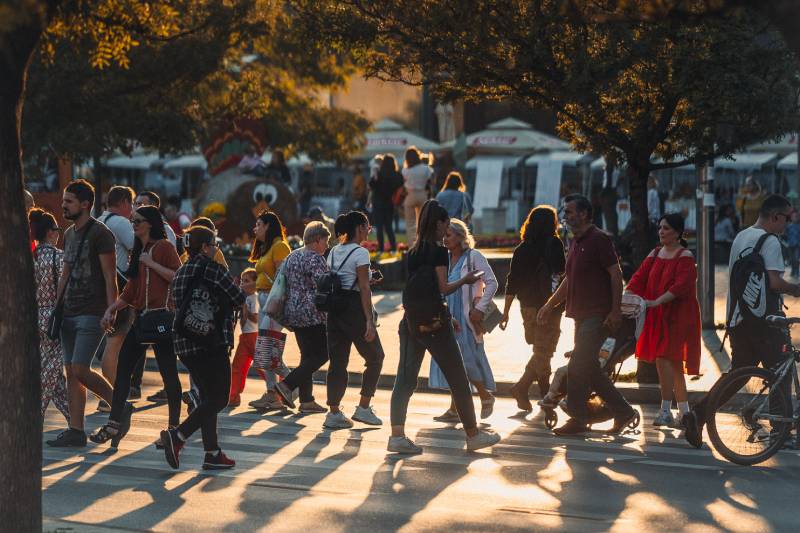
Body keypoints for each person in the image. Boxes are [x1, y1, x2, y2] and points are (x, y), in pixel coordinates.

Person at [683, 194, 800, 448]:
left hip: (738, 319)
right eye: (786, 220)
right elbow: (775, 283)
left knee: (739, 374)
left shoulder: (742, 236)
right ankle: (782, 431)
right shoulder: (771, 242)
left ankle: (698, 414)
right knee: (781, 369)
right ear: (775, 217)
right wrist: (797, 289)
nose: (787, 226)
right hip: (765, 323)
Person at [389, 200, 500, 454]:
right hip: (435, 323)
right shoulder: (438, 251)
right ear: (438, 223)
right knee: (459, 378)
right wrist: (466, 279)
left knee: (405, 379)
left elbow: (422, 287)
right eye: (445, 226)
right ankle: (473, 435)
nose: (445, 231)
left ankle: (397, 436)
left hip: (411, 321)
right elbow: (443, 288)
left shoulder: (414, 250)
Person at [538, 194, 637, 436]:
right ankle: (623, 412)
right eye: (565, 211)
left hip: (598, 315)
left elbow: (616, 275)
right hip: (579, 315)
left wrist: (615, 311)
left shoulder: (599, 239)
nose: (565, 216)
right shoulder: (576, 241)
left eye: (570, 211)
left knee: (578, 365)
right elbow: (569, 279)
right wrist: (549, 305)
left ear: (583, 214)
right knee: (589, 368)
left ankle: (578, 418)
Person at [91, 206, 183, 447]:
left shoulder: (163, 247)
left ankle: (174, 430)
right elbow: (130, 291)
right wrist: (112, 309)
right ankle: (114, 424)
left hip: (162, 318)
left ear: (150, 224)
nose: (133, 225)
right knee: (123, 372)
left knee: (169, 373)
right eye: (132, 221)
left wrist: (151, 263)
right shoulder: (138, 251)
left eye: (137, 221)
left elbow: (178, 276)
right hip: (142, 319)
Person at [160, 226, 246, 470]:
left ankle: (212, 452)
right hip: (211, 342)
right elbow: (238, 297)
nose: (216, 248)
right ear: (206, 246)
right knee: (219, 398)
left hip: (185, 343)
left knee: (208, 398)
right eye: (214, 244)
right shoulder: (212, 269)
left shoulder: (181, 271)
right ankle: (178, 437)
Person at [46, 179, 118, 448]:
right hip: (68, 311)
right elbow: (65, 273)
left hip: (93, 310)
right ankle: (76, 430)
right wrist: (56, 306)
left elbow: (110, 276)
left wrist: (111, 310)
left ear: (85, 204)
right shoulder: (69, 233)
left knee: (80, 367)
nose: (63, 205)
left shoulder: (101, 233)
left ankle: (119, 406)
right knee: (71, 372)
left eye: (69, 201)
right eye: (64, 200)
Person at [625, 213, 701, 427]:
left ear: (678, 233)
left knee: (666, 360)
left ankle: (667, 410)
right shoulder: (656, 252)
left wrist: (657, 301)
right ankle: (683, 412)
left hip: (678, 316)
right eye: (660, 228)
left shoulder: (685, 256)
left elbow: (681, 286)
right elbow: (639, 277)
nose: (661, 232)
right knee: (671, 363)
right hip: (657, 313)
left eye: (666, 228)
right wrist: (628, 295)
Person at [430, 219, 498, 420]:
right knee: (452, 362)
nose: (445, 239)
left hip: (467, 317)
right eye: (444, 235)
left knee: (465, 360)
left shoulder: (473, 257)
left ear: (461, 236)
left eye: (449, 235)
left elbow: (492, 283)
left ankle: (485, 396)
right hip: (448, 316)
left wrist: (479, 308)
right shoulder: (445, 259)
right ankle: (454, 409)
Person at [500, 205, 566, 411]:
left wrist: (506, 312)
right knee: (544, 350)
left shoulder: (522, 249)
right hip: (549, 306)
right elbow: (562, 274)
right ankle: (542, 393)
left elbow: (512, 282)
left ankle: (527, 389)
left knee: (541, 350)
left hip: (526, 307)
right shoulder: (554, 244)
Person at [323, 212, 385, 429]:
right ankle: (364, 408)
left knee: (338, 362)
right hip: (353, 311)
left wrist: (366, 280)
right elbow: (364, 288)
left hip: (334, 311)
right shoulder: (361, 253)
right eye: (367, 227)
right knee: (376, 357)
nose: (369, 230)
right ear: (359, 228)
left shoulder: (332, 252)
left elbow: (343, 280)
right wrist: (369, 320)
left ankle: (333, 412)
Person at [271, 222, 332, 412]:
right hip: (312, 313)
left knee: (307, 356)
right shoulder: (315, 258)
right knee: (324, 353)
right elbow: (324, 284)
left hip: (292, 312)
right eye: (325, 241)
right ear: (316, 240)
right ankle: (287, 385)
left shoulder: (293, 256)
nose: (327, 246)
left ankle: (306, 401)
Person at [95, 185, 136, 410]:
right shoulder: (120, 222)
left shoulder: (99, 219)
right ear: (124, 203)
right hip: (118, 287)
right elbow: (137, 246)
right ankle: (110, 396)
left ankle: (109, 395)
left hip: (99, 287)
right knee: (115, 342)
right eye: (131, 205)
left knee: (111, 342)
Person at [248, 211, 292, 410]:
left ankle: (293, 385)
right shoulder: (268, 248)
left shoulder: (280, 247)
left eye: (258, 224)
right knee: (269, 352)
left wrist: (276, 306)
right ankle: (273, 393)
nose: (255, 228)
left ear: (268, 226)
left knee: (266, 350)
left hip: (275, 303)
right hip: (263, 299)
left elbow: (283, 279)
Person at [30, 208, 70, 424]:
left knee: (52, 370)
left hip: (36, 315)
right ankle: (35, 411)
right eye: (57, 229)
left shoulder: (32, 257)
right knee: (52, 367)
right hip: (54, 316)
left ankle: (72, 417)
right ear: (50, 232)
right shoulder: (58, 256)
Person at [228, 268, 265, 407]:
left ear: (255, 283)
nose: (242, 283)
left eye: (246, 281)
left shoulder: (254, 298)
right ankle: (233, 396)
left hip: (253, 336)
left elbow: (255, 318)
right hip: (245, 337)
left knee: (262, 366)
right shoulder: (247, 298)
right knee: (237, 367)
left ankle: (278, 392)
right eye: (242, 280)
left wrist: (245, 309)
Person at [369, 154, 402, 254]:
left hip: (377, 202)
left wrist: (374, 177)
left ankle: (381, 249)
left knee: (379, 227)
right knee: (389, 227)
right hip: (389, 203)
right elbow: (400, 187)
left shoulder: (379, 173)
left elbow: (371, 185)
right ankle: (393, 248)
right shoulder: (397, 175)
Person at [402, 146, 434, 247]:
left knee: (410, 223)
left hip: (410, 195)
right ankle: (423, 244)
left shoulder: (405, 170)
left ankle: (412, 245)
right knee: (423, 222)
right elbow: (431, 182)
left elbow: (403, 183)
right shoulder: (426, 168)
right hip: (422, 194)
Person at [787, 211, 800, 278]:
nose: (795, 218)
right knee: (792, 259)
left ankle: (797, 272)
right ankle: (793, 271)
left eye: (796, 217)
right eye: (794, 217)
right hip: (790, 245)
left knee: (796, 259)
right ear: (791, 218)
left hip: (797, 245)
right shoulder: (789, 226)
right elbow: (785, 235)